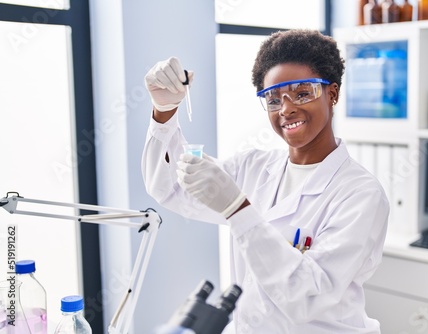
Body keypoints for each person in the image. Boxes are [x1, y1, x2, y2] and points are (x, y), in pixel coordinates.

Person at [142, 29, 390, 334]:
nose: (286, 108)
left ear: (332, 93)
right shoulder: (253, 168)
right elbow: (172, 189)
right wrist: (164, 112)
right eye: (273, 100)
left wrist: (238, 208)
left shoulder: (360, 194)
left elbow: (308, 296)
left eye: (302, 93)